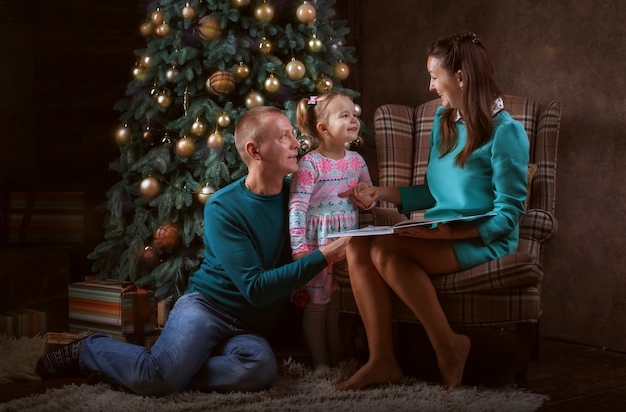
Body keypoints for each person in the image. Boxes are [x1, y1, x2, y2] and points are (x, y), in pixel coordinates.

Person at [36, 106, 349, 396]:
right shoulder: (223, 207)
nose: (297, 143)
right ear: (255, 151)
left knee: (260, 370)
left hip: (247, 328)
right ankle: (90, 350)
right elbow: (255, 288)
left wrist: (362, 195)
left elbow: (339, 197)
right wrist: (324, 256)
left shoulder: (300, 196)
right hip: (206, 309)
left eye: (294, 134)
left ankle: (163, 372)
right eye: (284, 137)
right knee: (156, 379)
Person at [335, 31, 530, 390]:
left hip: (484, 239)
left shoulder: (507, 133)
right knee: (361, 245)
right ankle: (384, 360)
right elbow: (431, 193)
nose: (429, 86)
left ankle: (447, 347)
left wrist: (451, 232)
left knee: (383, 249)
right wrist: (381, 192)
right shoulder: (444, 121)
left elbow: (509, 214)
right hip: (440, 232)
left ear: (460, 77)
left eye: (434, 76)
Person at [288, 92, 373, 374]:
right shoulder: (310, 164)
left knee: (336, 300)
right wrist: (299, 247)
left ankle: (337, 356)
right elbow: (297, 206)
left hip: (348, 240)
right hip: (317, 245)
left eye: (355, 114)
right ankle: (320, 361)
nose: (353, 120)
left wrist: (364, 199)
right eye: (345, 115)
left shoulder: (357, 161)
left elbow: (368, 198)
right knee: (316, 304)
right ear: (323, 128)